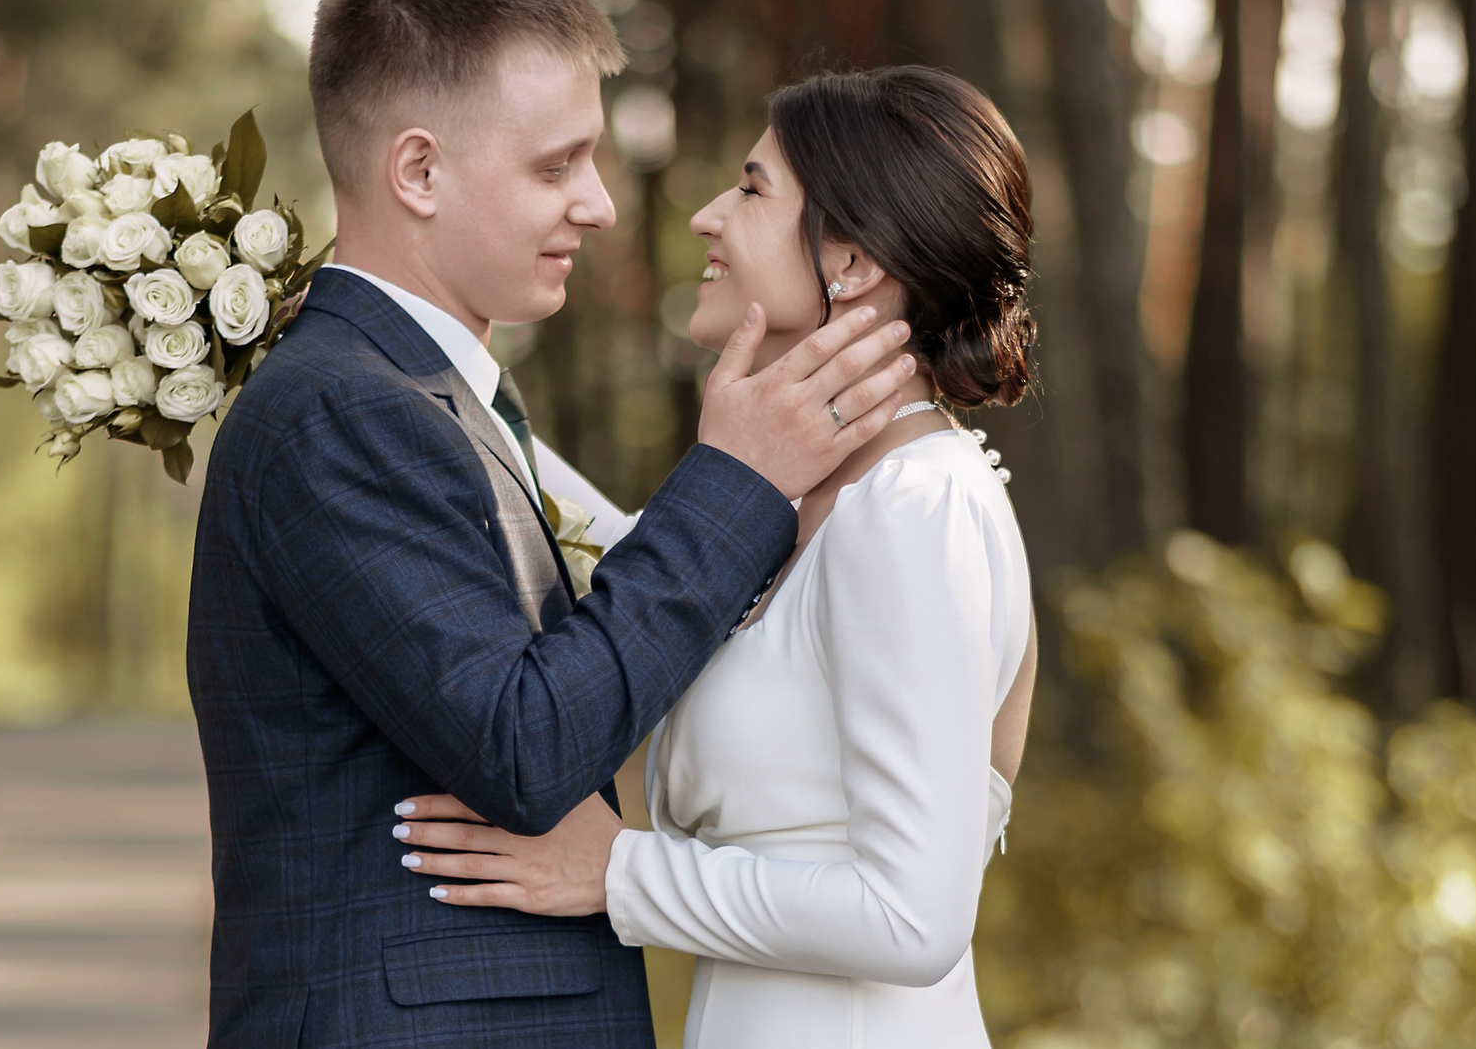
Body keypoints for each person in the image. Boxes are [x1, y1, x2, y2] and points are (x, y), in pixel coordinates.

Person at [188, 0, 919, 1048]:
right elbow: (525, 743)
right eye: (555, 165)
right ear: (418, 171)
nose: (601, 206)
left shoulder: (424, 396)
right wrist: (738, 478)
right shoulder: (342, 408)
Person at [390, 65, 1041, 1049]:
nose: (704, 216)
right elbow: (599, 539)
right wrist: (362, 335)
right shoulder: (798, 506)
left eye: (749, 188)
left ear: (852, 257)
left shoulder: (914, 507)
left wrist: (616, 872)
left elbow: (917, 916)